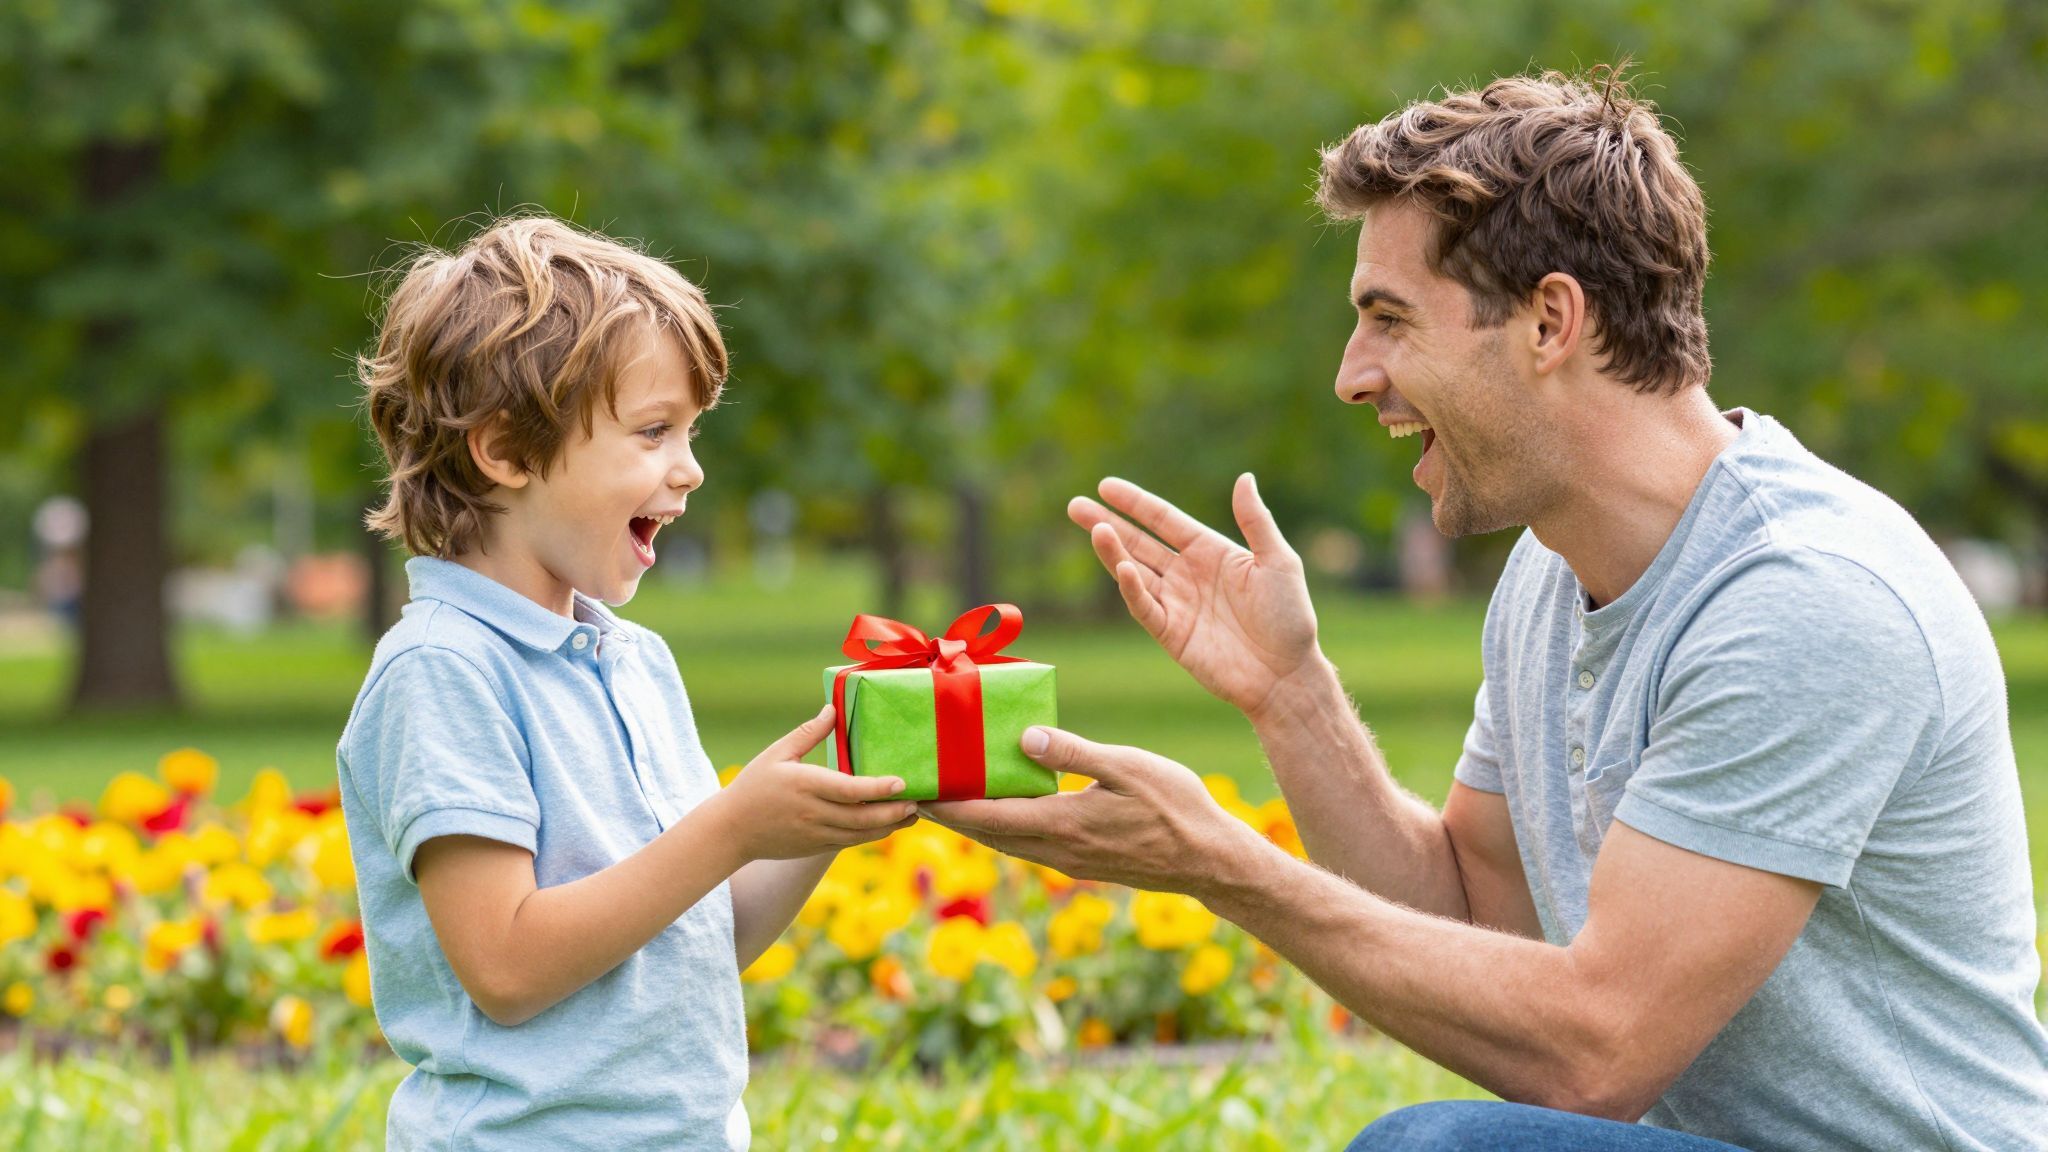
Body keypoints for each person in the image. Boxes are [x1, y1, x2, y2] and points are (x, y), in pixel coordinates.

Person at [924, 70, 2048, 1150]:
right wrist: (1292, 699)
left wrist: (1224, 866)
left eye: (1389, 318)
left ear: (1549, 321)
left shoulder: (1806, 601)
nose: (1351, 375)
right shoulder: (1549, 576)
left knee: (1441, 1150)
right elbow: (1471, 914)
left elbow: (1592, 1059)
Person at [337, 216, 919, 1150]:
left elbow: (699, 934)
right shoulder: (443, 671)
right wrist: (731, 826)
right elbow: (508, 965)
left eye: (689, 433)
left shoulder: (633, 661)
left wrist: (828, 809)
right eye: (654, 432)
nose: (689, 470)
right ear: (507, 451)